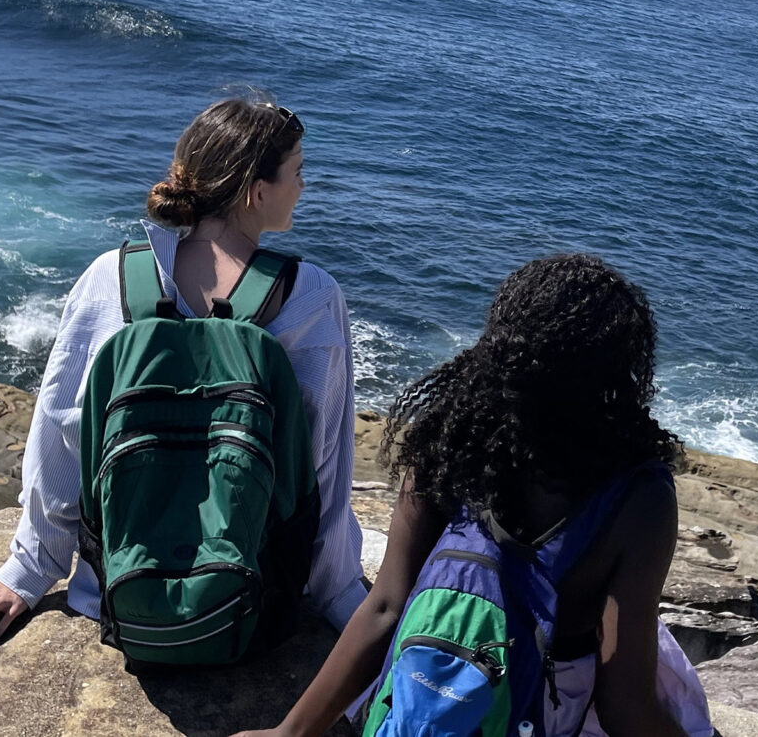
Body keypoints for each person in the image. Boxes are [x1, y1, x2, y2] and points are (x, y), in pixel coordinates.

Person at [232, 254, 713, 737]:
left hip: (432, 686)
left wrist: (289, 732)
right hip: (543, 707)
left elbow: (384, 608)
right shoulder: (639, 496)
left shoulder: (451, 441)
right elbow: (623, 707)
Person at [0, 94, 366, 643]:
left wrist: (30, 570)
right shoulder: (311, 296)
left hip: (114, 597)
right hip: (256, 600)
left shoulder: (110, 278)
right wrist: (340, 594)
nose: (303, 187)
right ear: (257, 191)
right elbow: (323, 463)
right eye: (298, 172)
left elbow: (60, 429)